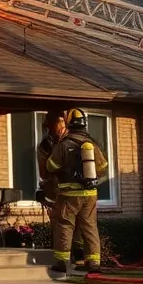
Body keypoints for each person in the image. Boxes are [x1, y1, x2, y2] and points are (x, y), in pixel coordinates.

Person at [45, 107, 108, 273]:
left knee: (65, 225)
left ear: (69, 124)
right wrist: (88, 177)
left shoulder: (64, 144)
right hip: (90, 195)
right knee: (90, 226)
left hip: (68, 195)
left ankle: (61, 262)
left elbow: (51, 166)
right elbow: (103, 167)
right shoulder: (92, 144)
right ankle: (94, 263)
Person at [36, 112, 85, 264]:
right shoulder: (48, 146)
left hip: (71, 191)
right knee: (67, 224)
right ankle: (69, 258)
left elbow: (46, 171)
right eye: (59, 126)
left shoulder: (49, 145)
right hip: (64, 191)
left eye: (63, 125)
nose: (61, 129)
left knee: (72, 224)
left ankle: (76, 257)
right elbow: (44, 172)